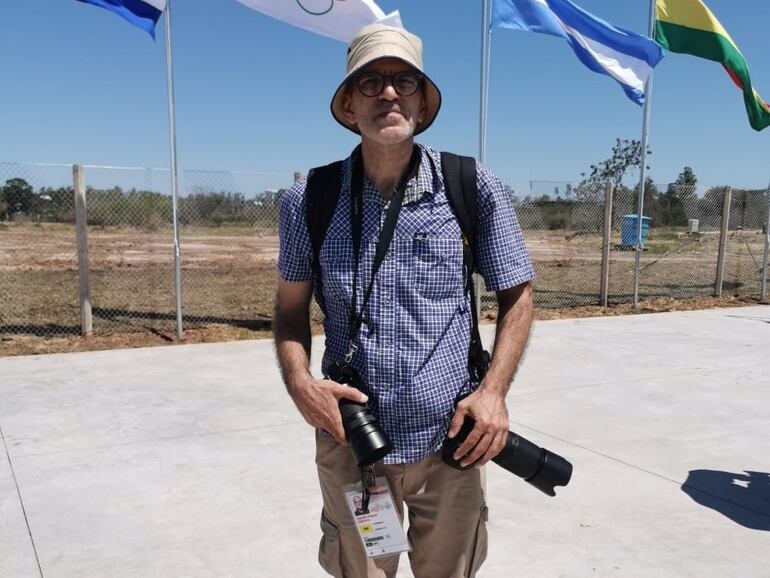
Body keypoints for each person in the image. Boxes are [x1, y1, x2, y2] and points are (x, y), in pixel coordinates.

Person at [273, 23, 535, 578]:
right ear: (348, 104)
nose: (388, 93)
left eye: (404, 81)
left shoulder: (471, 186)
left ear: (421, 100)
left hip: (452, 447)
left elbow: (519, 292)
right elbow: (290, 309)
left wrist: (492, 396)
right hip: (353, 445)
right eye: (370, 82)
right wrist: (300, 383)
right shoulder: (308, 199)